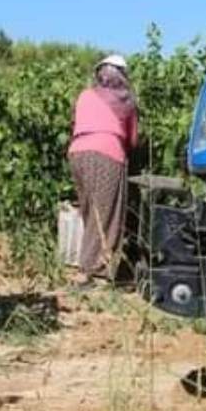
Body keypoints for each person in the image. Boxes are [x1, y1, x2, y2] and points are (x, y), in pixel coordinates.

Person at [68, 54, 139, 288]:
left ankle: (86, 267)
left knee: (91, 213)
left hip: (77, 153)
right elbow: (132, 140)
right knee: (108, 215)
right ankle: (96, 273)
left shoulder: (85, 95)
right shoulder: (125, 99)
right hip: (107, 154)